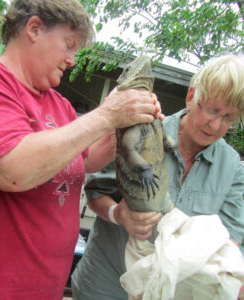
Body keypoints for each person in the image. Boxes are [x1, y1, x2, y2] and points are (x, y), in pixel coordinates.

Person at [0, 0, 160, 299]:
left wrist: (129, 122)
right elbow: (13, 171)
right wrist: (107, 115)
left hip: (46, 285)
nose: (72, 60)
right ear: (34, 28)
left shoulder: (60, 105)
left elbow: (88, 159)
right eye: (68, 45)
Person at [71, 54, 244, 300]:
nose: (215, 125)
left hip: (167, 292)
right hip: (105, 286)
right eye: (212, 110)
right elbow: (95, 192)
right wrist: (118, 214)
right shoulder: (141, 125)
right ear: (192, 96)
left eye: (228, 118)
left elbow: (231, 239)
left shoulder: (233, 168)